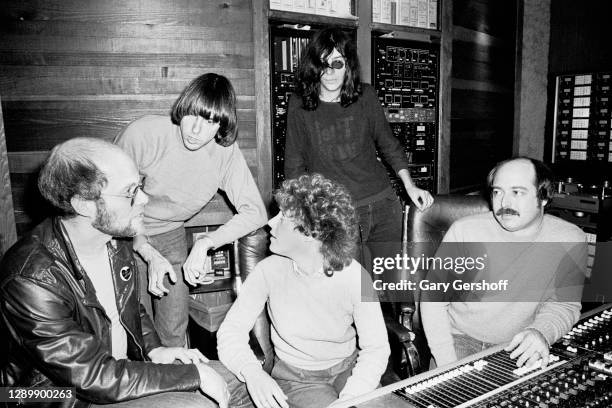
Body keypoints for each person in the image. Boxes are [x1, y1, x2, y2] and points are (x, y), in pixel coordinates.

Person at [0, 138, 233, 408]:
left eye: (140, 185)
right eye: (130, 191)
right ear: (84, 205)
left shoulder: (115, 240)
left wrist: (156, 350)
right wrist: (189, 375)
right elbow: (91, 376)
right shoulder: (30, 277)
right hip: (49, 397)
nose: (144, 198)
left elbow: (131, 308)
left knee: (238, 378)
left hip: (113, 373)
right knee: (196, 404)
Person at [115, 73, 267, 347]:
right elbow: (112, 205)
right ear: (182, 109)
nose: (196, 131)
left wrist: (206, 244)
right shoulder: (142, 135)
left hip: (170, 233)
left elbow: (255, 212)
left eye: (209, 121)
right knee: (136, 333)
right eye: (192, 117)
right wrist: (146, 251)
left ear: (222, 124)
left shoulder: (225, 154)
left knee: (173, 331)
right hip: (122, 235)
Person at [217, 174, 390, 408]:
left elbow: (377, 348)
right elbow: (230, 332)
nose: (270, 223)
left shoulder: (357, 277)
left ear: (311, 233)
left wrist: (351, 397)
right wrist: (251, 372)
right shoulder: (266, 271)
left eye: (283, 218)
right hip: (297, 380)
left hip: (349, 369)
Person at [284, 27, 433, 291]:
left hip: (383, 206)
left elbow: (388, 144)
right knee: (352, 291)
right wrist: (295, 214)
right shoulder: (299, 105)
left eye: (337, 63)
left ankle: (400, 333)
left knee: (394, 286)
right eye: (323, 64)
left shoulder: (365, 96)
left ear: (348, 65)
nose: (329, 72)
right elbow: (294, 166)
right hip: (339, 214)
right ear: (313, 66)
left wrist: (410, 186)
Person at [421, 157, 587, 369]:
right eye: (498, 192)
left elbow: (563, 304)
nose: (504, 203)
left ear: (543, 197)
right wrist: (447, 364)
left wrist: (541, 332)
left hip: (519, 342)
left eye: (517, 192)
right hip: (459, 339)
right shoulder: (465, 231)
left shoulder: (570, 239)